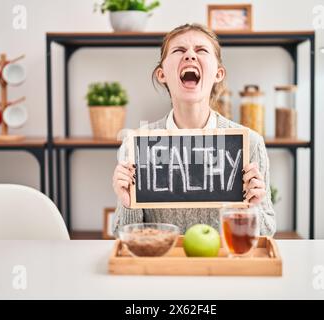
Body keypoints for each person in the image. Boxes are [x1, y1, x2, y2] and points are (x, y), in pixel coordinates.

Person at [112, 23, 276, 236]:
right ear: (162, 74)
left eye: (201, 50)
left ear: (219, 73)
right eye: (179, 50)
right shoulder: (136, 146)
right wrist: (129, 204)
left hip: (223, 267)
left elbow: (266, 234)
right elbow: (122, 237)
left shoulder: (250, 144)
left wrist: (252, 208)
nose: (190, 55)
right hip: (163, 266)